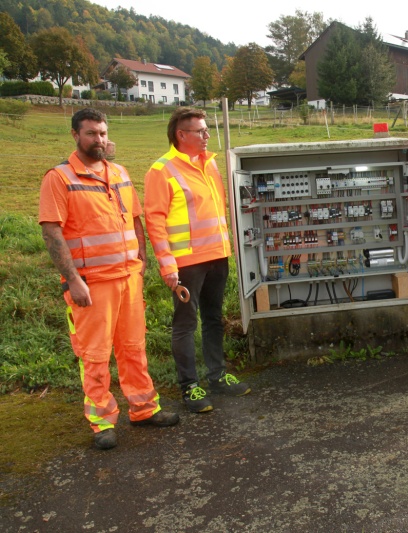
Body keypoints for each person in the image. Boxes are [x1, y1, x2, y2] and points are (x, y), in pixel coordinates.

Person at [39, 108, 179, 450]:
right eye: (91, 133)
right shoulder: (59, 177)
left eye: (102, 133)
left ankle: (143, 409)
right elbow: (52, 231)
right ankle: (102, 422)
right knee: (95, 355)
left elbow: (134, 219)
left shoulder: (118, 172)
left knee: (134, 348)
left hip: (128, 278)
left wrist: (141, 258)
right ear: (75, 135)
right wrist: (73, 280)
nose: (98, 139)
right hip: (92, 283)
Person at [145, 107, 251, 412]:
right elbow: (154, 221)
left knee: (214, 319)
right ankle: (189, 387)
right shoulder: (161, 171)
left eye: (207, 130)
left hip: (217, 256)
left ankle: (217, 376)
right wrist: (167, 265)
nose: (207, 136)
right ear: (181, 135)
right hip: (187, 262)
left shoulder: (210, 164)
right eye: (200, 131)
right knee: (185, 324)